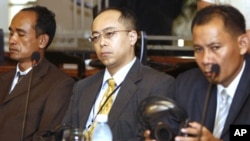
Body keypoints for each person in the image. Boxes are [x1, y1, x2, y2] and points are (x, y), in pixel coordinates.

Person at [62, 7, 175, 141]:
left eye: (109, 34)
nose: (102, 43)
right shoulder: (83, 87)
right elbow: (65, 131)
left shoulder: (158, 85)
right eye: (96, 37)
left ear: (132, 37)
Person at [144, 5, 250, 141]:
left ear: (242, 44)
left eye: (215, 48)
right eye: (199, 49)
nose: (205, 59)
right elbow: (168, 126)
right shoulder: (187, 84)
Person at [0, 5, 75, 140]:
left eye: (21, 34)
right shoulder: (4, 78)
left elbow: (47, 137)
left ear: (42, 41)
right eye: (11, 33)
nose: (12, 40)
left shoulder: (59, 85)